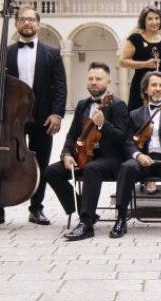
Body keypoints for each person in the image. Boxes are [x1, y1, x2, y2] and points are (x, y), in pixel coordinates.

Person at [0, 6, 67, 228]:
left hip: (43, 116)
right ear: (16, 24)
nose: (27, 23)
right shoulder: (6, 52)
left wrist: (57, 114)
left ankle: (36, 208)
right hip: (10, 118)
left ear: (39, 23)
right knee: (2, 160)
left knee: (41, 163)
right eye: (23, 19)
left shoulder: (52, 53)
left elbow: (60, 87)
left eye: (31, 19)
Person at [41, 62, 129, 241]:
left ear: (108, 81)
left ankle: (86, 224)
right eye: (91, 79)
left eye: (98, 79)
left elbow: (122, 138)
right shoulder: (82, 105)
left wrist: (103, 124)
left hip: (110, 158)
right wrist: (66, 154)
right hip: (83, 155)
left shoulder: (118, 105)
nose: (94, 82)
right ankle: (83, 209)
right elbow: (72, 135)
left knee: (92, 169)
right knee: (51, 172)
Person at [113, 71, 161, 239]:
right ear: (146, 89)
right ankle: (121, 218)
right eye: (153, 85)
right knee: (126, 167)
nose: (157, 88)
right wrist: (138, 155)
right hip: (143, 159)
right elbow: (128, 142)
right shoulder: (134, 114)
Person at [120, 6, 161, 111]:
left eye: (157, 18)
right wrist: (145, 64)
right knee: (137, 119)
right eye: (150, 19)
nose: (154, 22)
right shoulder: (135, 38)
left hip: (160, 87)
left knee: (160, 118)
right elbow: (122, 61)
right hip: (140, 86)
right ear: (143, 21)